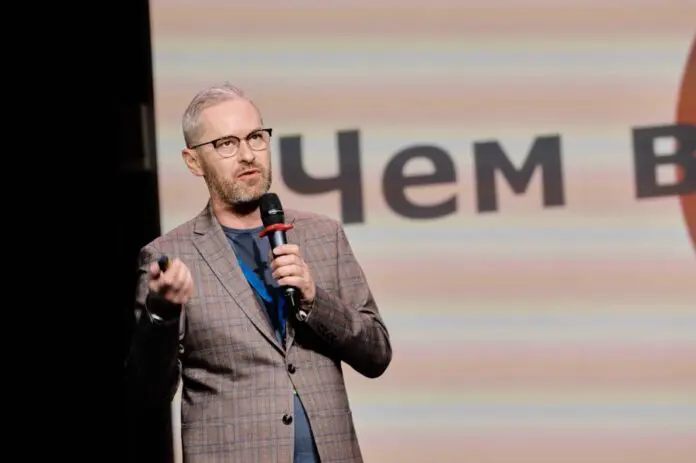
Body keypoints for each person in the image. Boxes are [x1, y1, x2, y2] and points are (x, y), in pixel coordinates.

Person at [124, 83, 393, 463]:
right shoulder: (170, 255)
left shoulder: (322, 235)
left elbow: (377, 354)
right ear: (193, 161)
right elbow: (147, 392)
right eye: (226, 143)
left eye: (255, 137)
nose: (248, 154)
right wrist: (162, 313)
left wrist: (315, 299)